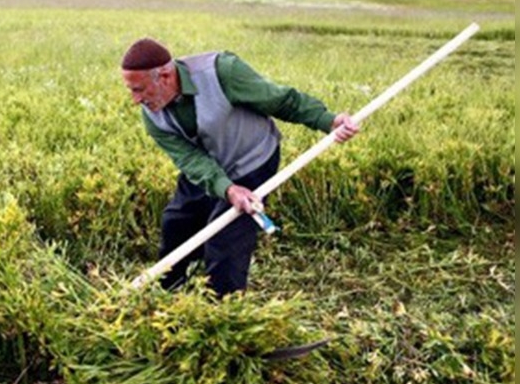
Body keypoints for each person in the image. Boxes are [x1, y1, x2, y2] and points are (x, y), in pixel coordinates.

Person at [120, 37, 360, 297]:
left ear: (165, 76)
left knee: (224, 240)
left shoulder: (222, 72)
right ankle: (167, 294)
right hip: (210, 165)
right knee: (176, 223)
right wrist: (227, 189)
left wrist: (327, 120)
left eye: (139, 89)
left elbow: (280, 100)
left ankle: (224, 310)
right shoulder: (151, 113)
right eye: (132, 90)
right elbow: (189, 159)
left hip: (251, 160)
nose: (135, 100)